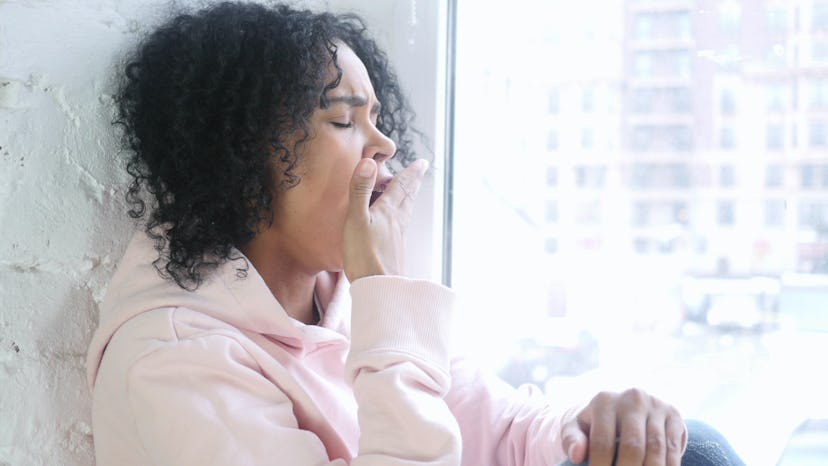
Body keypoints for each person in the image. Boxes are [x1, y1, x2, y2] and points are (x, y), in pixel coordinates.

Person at [85, 2, 745, 465]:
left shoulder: (342, 295)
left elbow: (494, 426)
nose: (385, 144)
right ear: (244, 153)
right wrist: (383, 293)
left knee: (693, 447)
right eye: (346, 121)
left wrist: (593, 428)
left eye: (378, 118)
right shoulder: (173, 358)